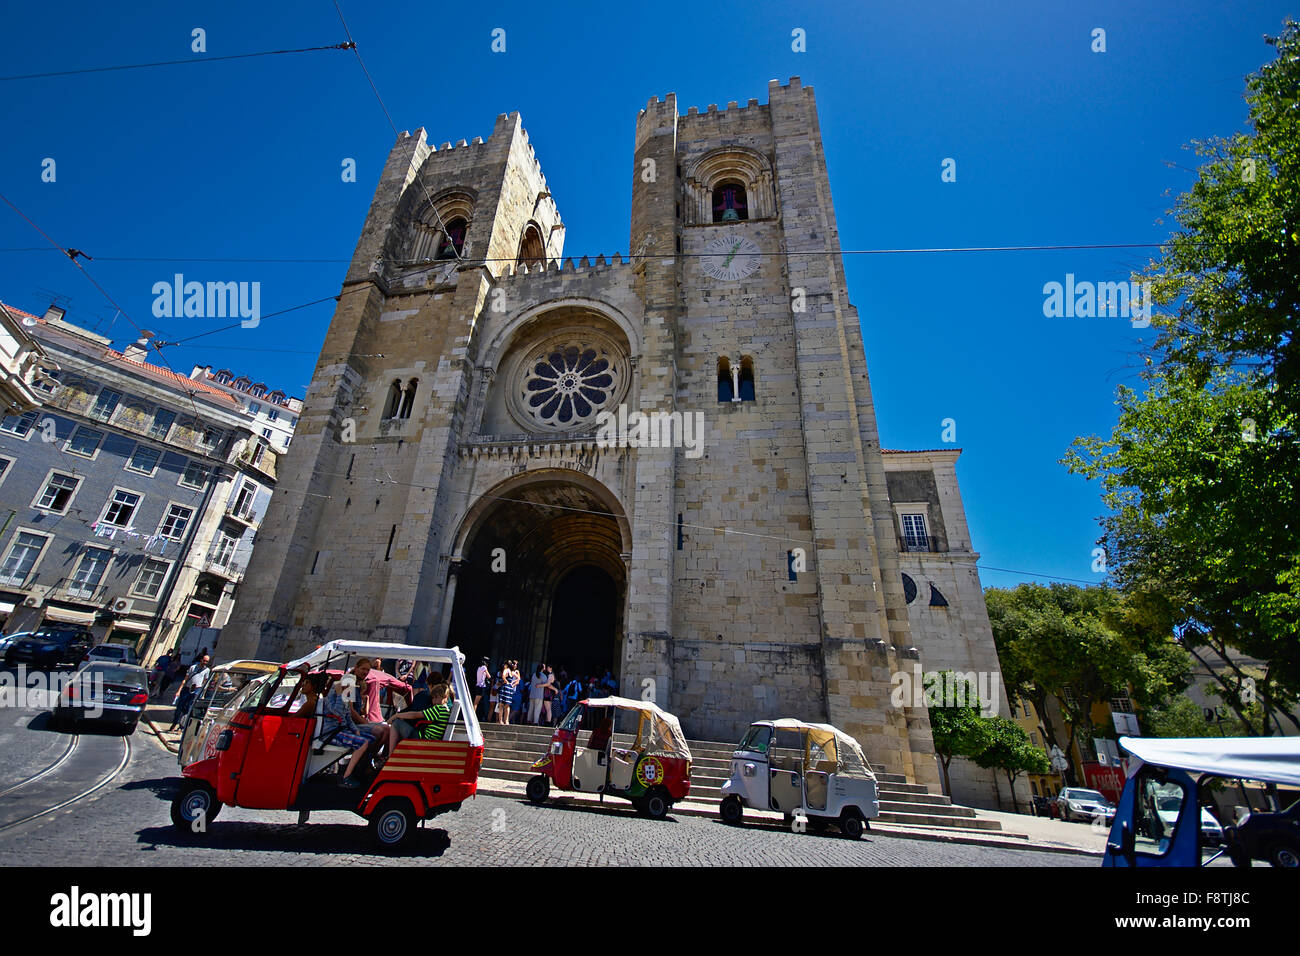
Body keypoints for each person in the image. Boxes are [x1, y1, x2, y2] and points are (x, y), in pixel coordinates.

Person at [321, 674, 383, 789]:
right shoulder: (332, 696)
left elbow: (347, 716)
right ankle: (346, 776)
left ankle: (360, 768)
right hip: (331, 732)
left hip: (343, 730)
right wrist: (340, 694)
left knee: (371, 739)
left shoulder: (345, 695)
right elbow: (337, 713)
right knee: (363, 743)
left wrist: (355, 730)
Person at [389, 681, 453, 741]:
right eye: (433, 698)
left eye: (436, 697)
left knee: (396, 723)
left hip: (424, 739)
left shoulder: (438, 709)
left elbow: (415, 715)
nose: (434, 701)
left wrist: (397, 715)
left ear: (445, 697)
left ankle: (391, 752)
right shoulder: (446, 709)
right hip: (432, 738)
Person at [168, 655, 210, 731]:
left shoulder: (207, 670)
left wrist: (202, 693)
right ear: (201, 660)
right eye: (204, 660)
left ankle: (181, 726)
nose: (205, 662)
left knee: (188, 709)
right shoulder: (193, 667)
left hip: (196, 690)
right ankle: (174, 723)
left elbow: (205, 682)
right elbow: (185, 679)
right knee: (179, 707)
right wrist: (179, 690)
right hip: (187, 689)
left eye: (207, 661)